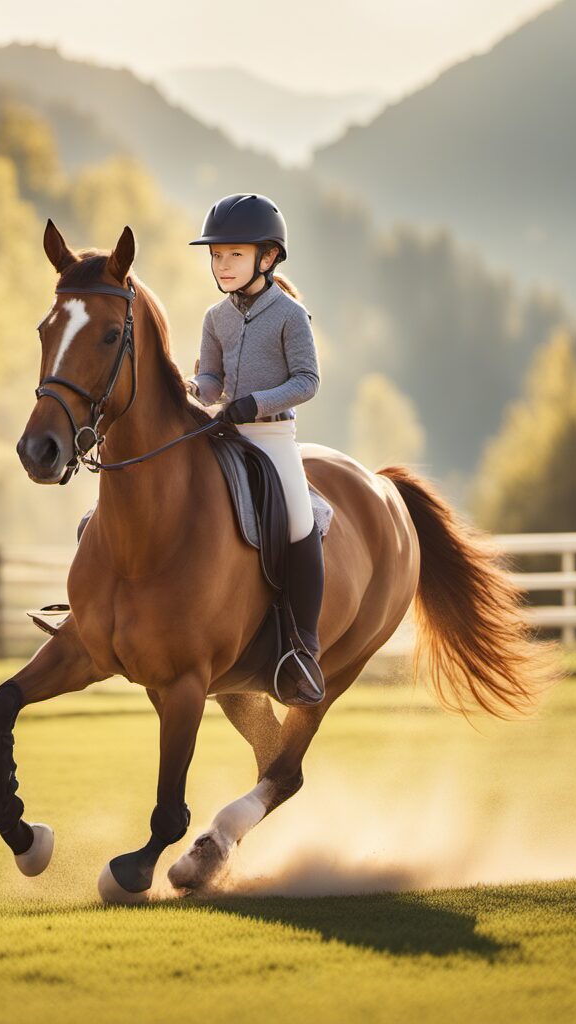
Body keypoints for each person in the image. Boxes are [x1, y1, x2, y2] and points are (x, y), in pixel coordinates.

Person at [186, 193, 326, 706]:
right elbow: (209, 376)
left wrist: (256, 403)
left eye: (234, 255)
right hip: (222, 434)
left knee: (297, 519)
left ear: (267, 258)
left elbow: (307, 381)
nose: (222, 265)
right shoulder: (214, 316)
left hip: (271, 437)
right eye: (217, 256)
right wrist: (195, 390)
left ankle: (302, 649)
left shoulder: (290, 315)